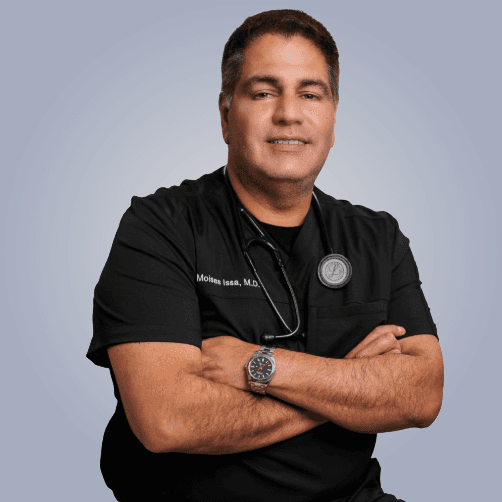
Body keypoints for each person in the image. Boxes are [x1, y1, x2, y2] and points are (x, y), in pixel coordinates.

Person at [86, 9, 443, 502]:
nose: (289, 114)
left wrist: (262, 366)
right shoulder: (160, 227)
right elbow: (166, 420)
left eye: (310, 94)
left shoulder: (377, 238)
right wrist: (350, 382)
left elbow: (422, 395)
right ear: (225, 114)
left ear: (333, 117)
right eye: (263, 93)